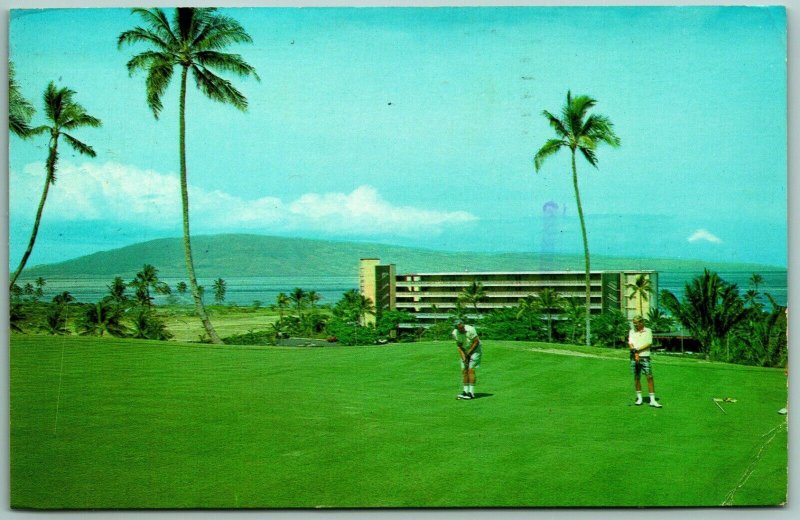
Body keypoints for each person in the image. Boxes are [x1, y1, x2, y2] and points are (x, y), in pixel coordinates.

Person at [628, 315, 662, 408]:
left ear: (641, 322)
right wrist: (634, 352)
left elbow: (649, 343)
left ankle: (652, 400)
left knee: (649, 377)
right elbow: (630, 343)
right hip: (634, 357)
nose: (635, 325)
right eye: (634, 323)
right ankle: (639, 398)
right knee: (637, 377)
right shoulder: (631, 331)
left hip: (645, 356)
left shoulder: (648, 331)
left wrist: (637, 350)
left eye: (637, 323)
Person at [453, 319, 482, 400]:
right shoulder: (455, 333)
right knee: (464, 370)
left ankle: (471, 393)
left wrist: (469, 354)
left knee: (470, 370)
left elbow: (476, 342)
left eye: (462, 327)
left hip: (476, 350)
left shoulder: (471, 329)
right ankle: (465, 391)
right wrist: (464, 358)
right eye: (460, 328)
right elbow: (459, 346)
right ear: (457, 328)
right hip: (465, 350)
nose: (462, 329)